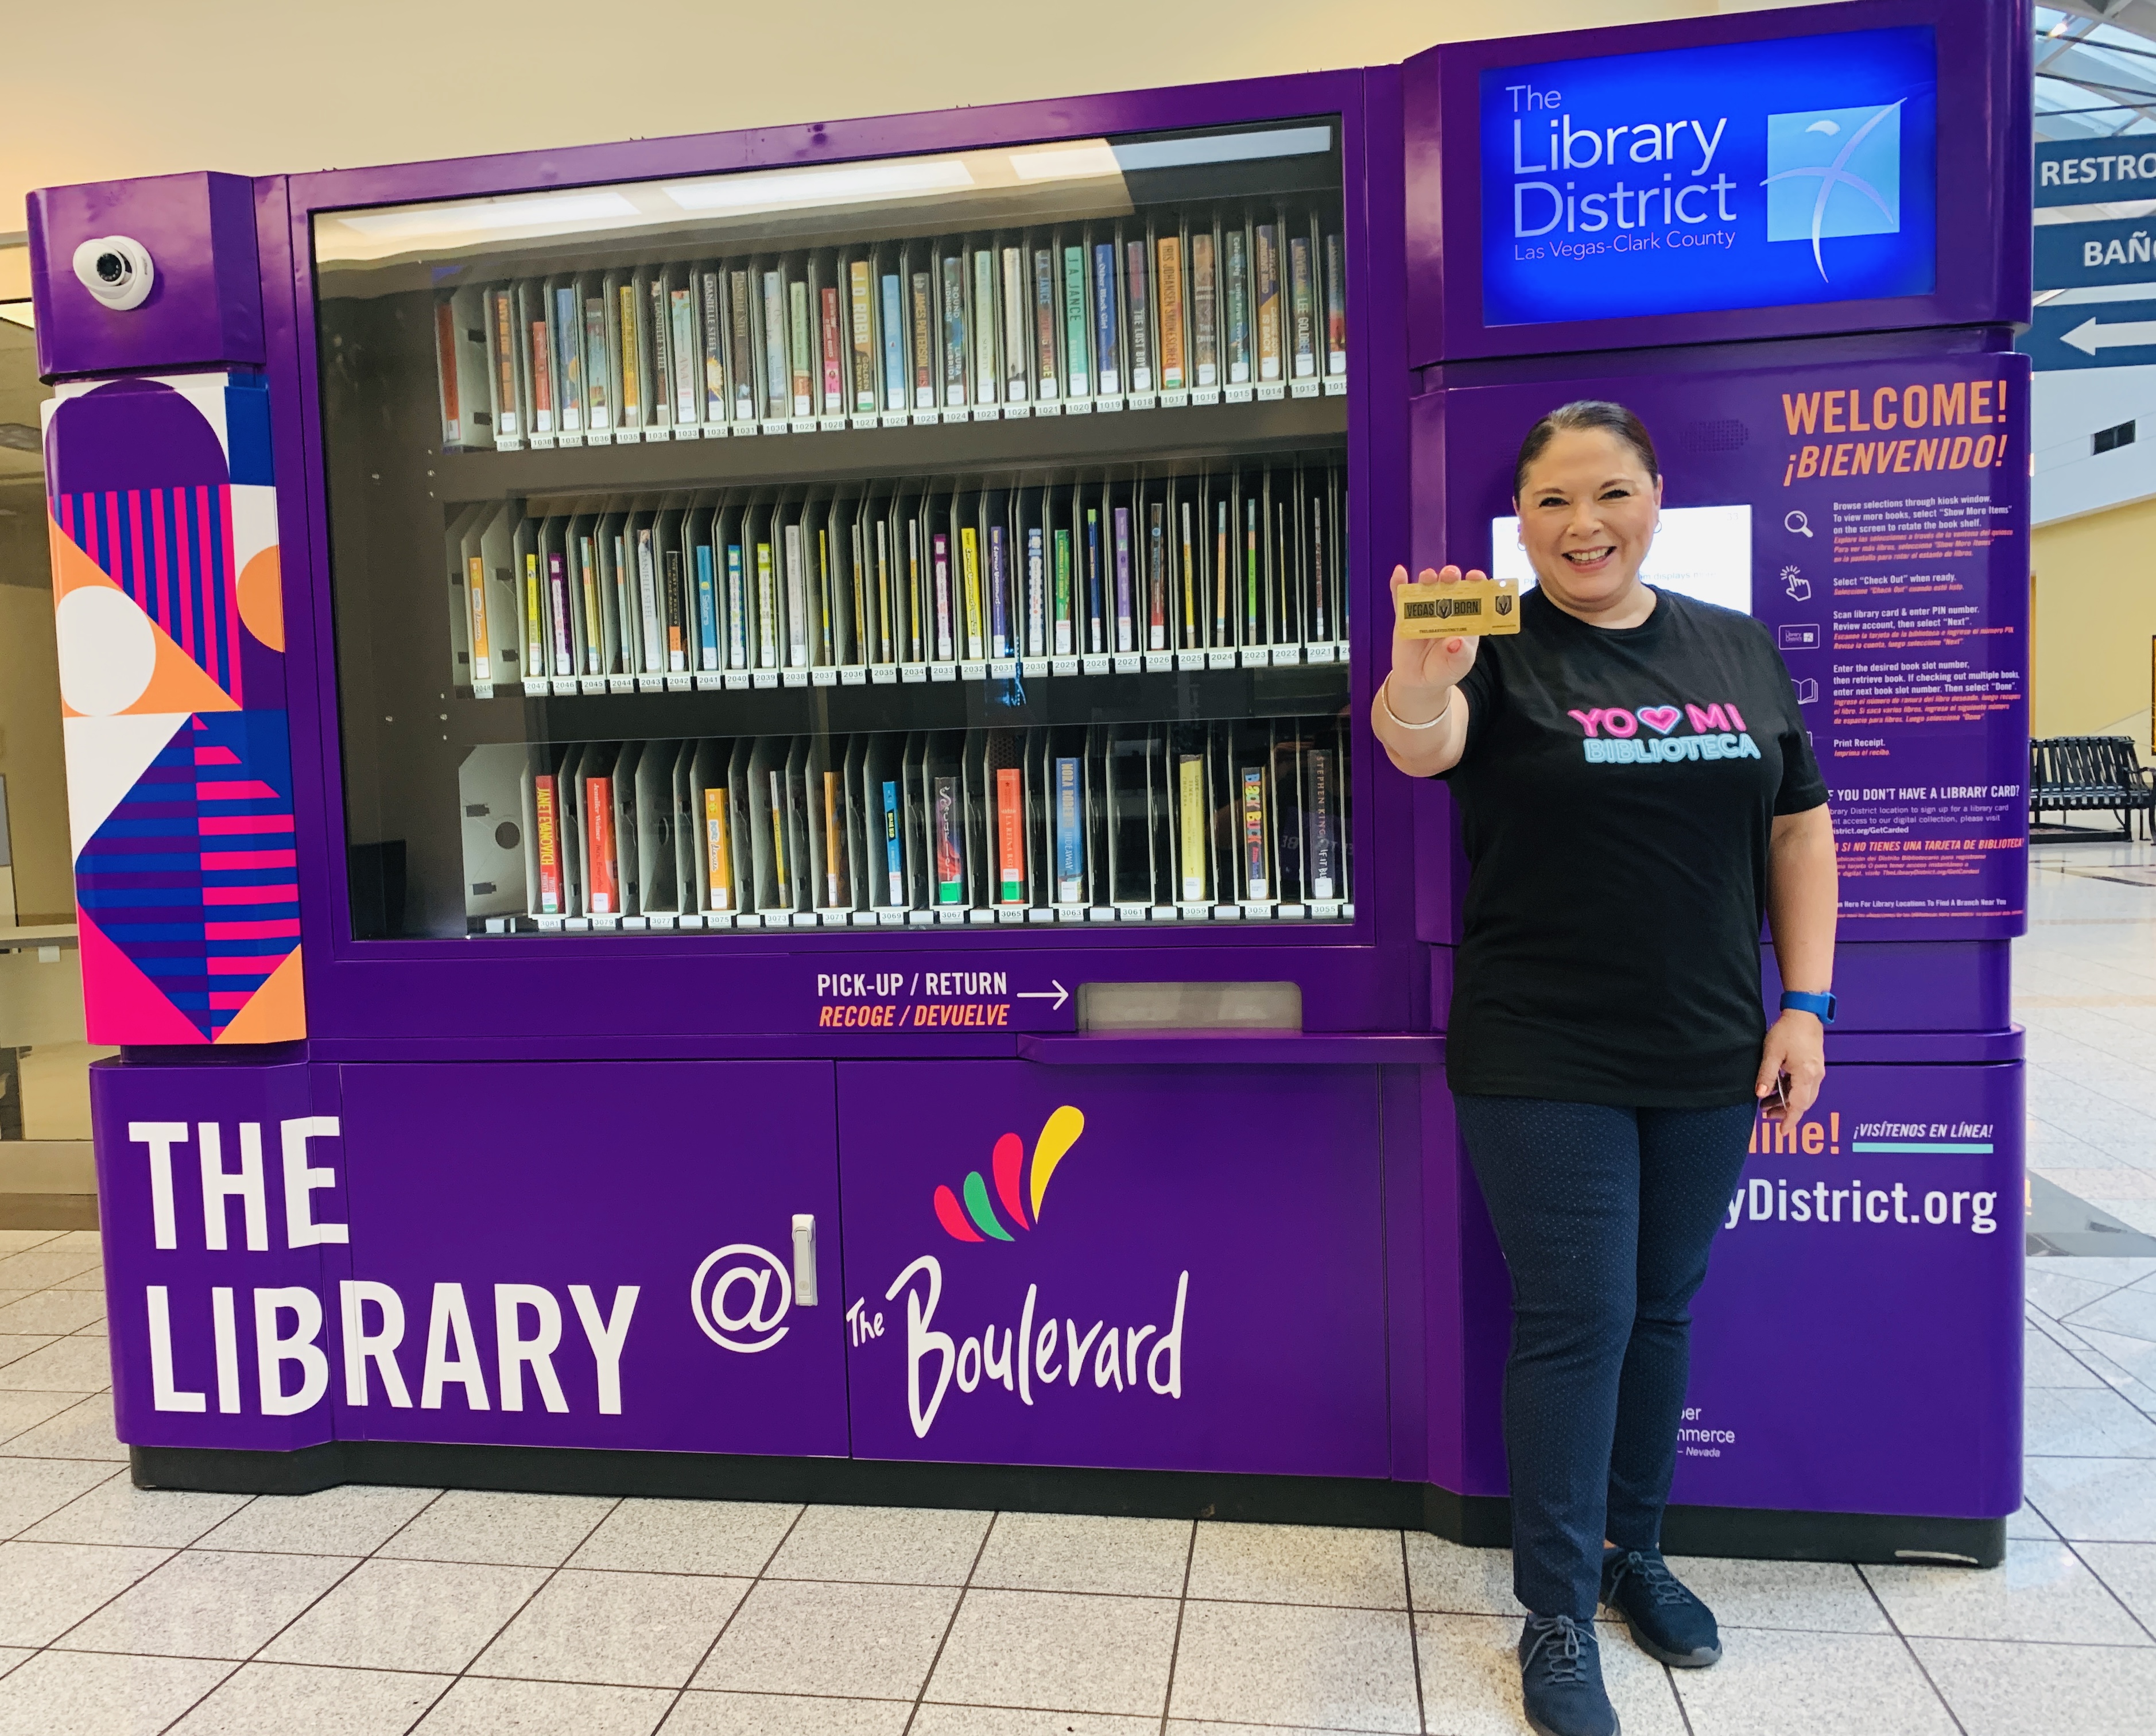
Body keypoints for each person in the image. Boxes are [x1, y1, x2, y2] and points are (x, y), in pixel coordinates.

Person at [1372, 401, 1837, 1736]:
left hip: (1705, 1044)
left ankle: (1637, 1556)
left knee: (1664, 1306)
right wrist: (1419, 671)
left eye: (1613, 494)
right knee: (1579, 1316)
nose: (1586, 525)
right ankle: (1557, 1614)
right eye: (1557, 502)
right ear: (1521, 521)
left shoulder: (1734, 646)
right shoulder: (1494, 644)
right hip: (1543, 1048)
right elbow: (1420, 743)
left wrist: (1803, 1005)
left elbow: (1800, 834)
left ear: (1655, 499)